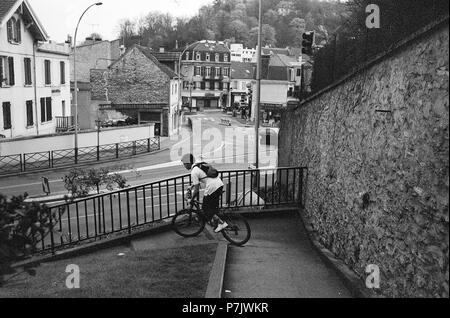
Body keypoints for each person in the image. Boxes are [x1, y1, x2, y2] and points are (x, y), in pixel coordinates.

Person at [181, 154, 228, 233]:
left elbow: (196, 190)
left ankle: (221, 223)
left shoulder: (193, 172)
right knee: (212, 208)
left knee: (205, 208)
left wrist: (192, 199)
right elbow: (203, 176)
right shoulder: (198, 165)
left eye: (184, 164)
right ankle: (215, 222)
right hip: (219, 184)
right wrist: (191, 186)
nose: (184, 166)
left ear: (188, 163)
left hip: (212, 187)